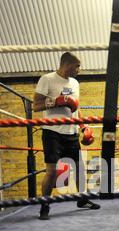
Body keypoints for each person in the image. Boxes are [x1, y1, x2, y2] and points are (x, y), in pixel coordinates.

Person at [33, 52, 100, 220]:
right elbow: (36, 105)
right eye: (77, 66)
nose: (79, 69)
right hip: (52, 133)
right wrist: (56, 101)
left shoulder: (75, 83)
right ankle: (45, 205)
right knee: (52, 172)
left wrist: (83, 126)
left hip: (71, 133)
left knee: (80, 170)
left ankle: (82, 200)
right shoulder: (47, 79)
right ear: (67, 64)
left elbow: (76, 107)